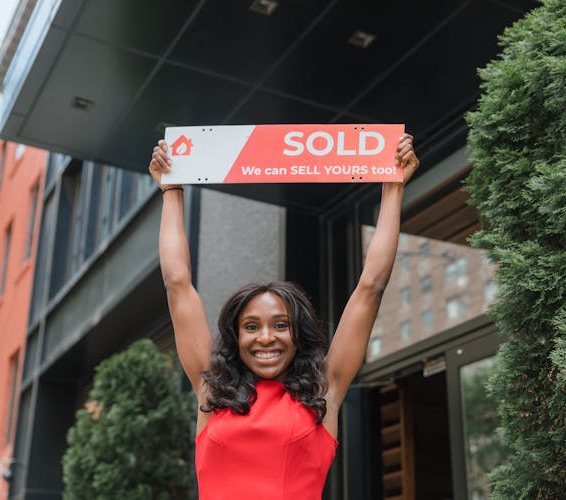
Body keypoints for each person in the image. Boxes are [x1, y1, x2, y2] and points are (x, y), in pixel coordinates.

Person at [148, 133, 419, 499]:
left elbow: (371, 286)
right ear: (236, 337)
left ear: (298, 335)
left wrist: (393, 189)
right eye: (251, 327)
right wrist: (171, 192)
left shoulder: (325, 391)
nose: (265, 338)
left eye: (280, 325)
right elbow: (177, 283)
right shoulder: (212, 391)